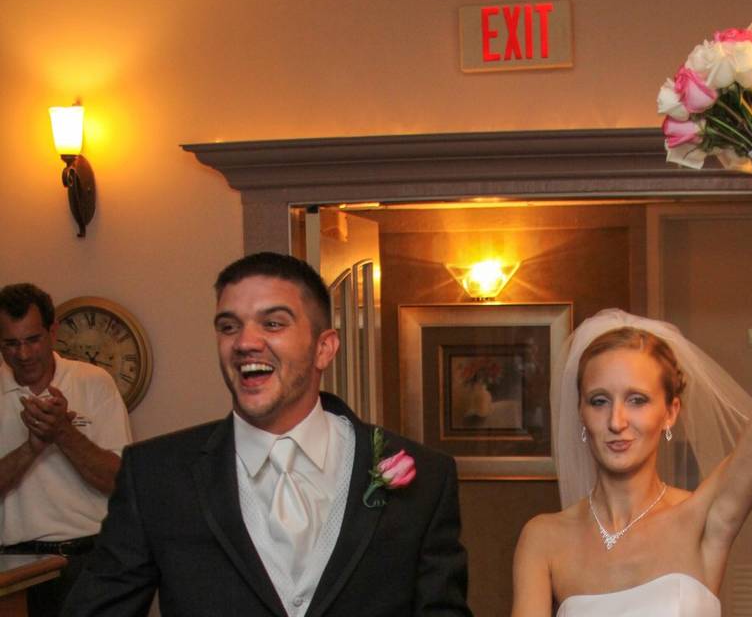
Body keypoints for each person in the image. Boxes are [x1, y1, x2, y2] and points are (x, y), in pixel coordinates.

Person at [64, 252, 471, 616]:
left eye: (273, 323)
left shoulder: (426, 478)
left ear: (324, 348)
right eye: (228, 327)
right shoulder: (156, 475)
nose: (244, 343)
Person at [511, 176, 752, 616]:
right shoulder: (543, 538)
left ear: (670, 411)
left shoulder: (704, 518)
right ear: (581, 412)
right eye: (600, 401)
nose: (618, 420)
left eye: (637, 400)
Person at [0, 283, 132, 617]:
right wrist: (32, 447)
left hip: (88, 560)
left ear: (52, 331)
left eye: (33, 340)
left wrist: (63, 432)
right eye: (11, 344)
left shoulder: (93, 381)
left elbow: (120, 481)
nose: (24, 354)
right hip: (15, 570)